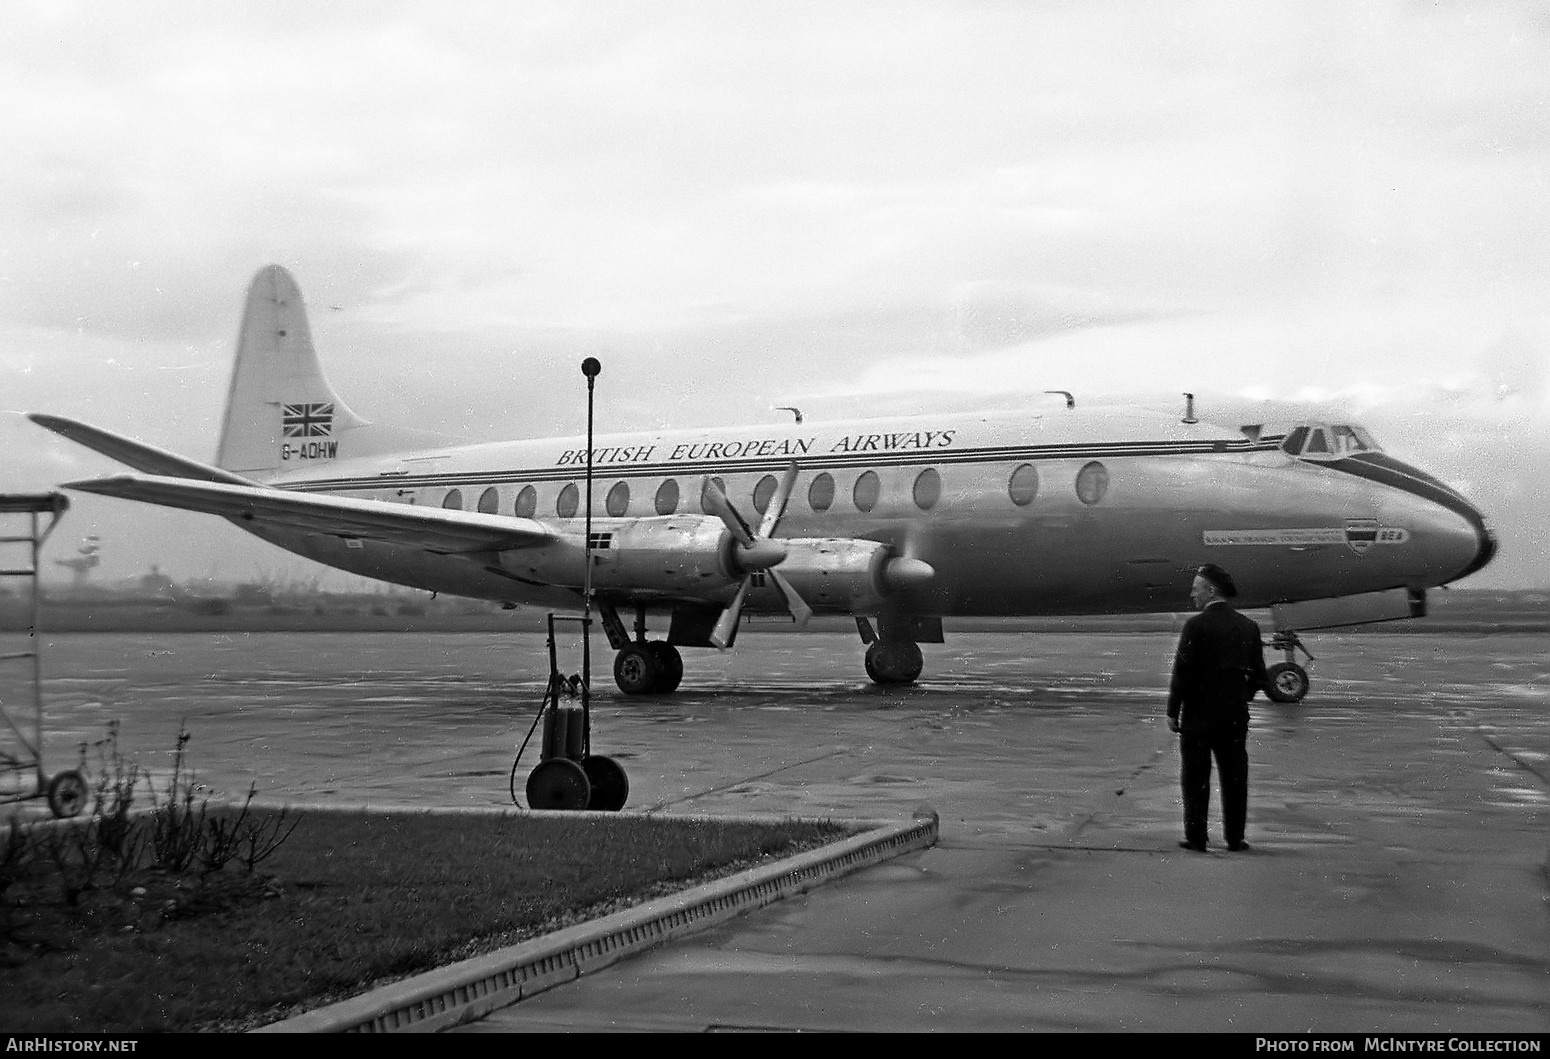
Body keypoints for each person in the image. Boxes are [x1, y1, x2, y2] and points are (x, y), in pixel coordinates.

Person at [1166, 563, 1270, 852]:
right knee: (1235, 778)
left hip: (1198, 717)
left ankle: (1197, 838)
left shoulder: (1195, 626)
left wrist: (1173, 711)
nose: (1191, 594)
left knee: (1195, 777)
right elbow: (1260, 675)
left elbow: (1182, 673)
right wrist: (1239, 695)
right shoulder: (1249, 626)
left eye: (1196, 588)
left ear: (1210, 591)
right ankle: (1235, 838)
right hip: (1234, 716)